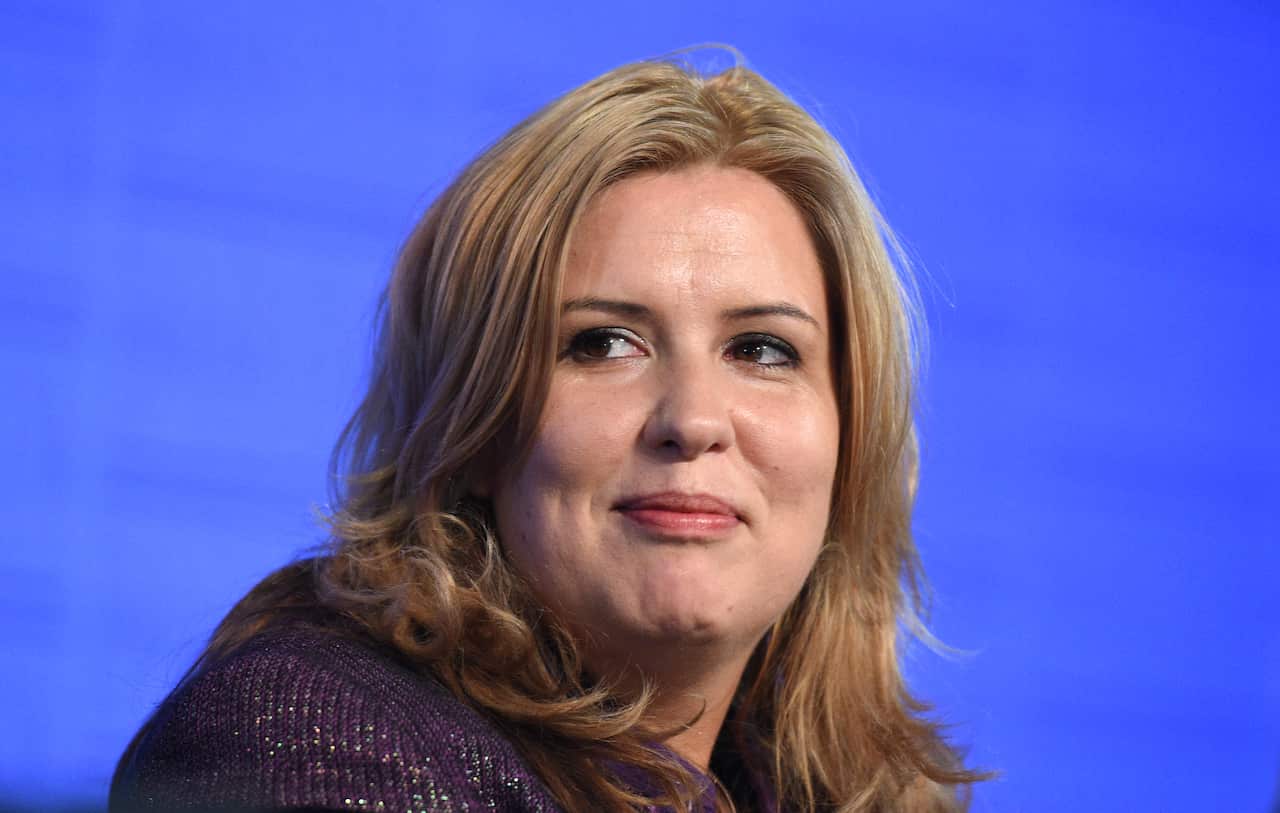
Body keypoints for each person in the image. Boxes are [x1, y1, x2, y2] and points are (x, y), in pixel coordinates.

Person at [110, 54, 985, 813]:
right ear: (476, 428)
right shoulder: (307, 736)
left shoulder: (821, 784)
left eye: (761, 348)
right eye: (602, 342)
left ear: (850, 435)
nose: (692, 421)